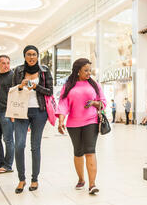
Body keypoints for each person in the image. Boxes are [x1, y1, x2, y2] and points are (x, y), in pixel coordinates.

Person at [56, 58, 106, 195]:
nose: (89, 73)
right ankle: (81, 179)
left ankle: (92, 184)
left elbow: (103, 102)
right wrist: (61, 120)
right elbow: (63, 104)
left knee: (90, 150)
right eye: (86, 70)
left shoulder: (94, 85)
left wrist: (94, 104)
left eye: (90, 70)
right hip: (73, 123)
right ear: (78, 71)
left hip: (91, 121)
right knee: (78, 152)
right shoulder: (68, 85)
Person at [12, 45, 53, 194]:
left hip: (39, 111)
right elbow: (12, 91)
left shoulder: (44, 71)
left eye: (34, 54)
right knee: (19, 145)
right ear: (24, 56)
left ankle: (34, 179)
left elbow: (50, 91)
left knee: (35, 147)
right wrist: (21, 87)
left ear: (38, 56)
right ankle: (21, 179)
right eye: (28, 54)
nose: (31, 57)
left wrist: (36, 87)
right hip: (20, 111)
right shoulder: (17, 70)